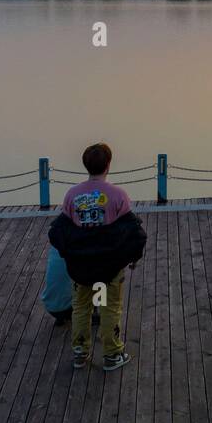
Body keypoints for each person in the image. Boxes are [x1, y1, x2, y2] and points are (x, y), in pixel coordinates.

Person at [48, 143, 145, 371]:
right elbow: (134, 232)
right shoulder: (118, 195)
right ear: (108, 165)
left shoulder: (72, 195)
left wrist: (67, 252)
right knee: (110, 308)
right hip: (109, 266)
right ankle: (112, 355)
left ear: (85, 165)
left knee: (81, 308)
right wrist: (132, 257)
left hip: (80, 266)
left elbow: (60, 229)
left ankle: (80, 354)